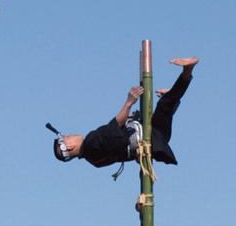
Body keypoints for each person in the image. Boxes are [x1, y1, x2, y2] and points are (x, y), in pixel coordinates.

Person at [50, 58, 198, 170]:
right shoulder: (91, 143)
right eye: (68, 137)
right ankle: (186, 72)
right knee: (165, 105)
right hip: (148, 137)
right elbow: (114, 127)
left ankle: (187, 71)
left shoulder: (94, 159)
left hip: (152, 139)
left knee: (166, 104)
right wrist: (129, 102)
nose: (71, 134)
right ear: (69, 147)